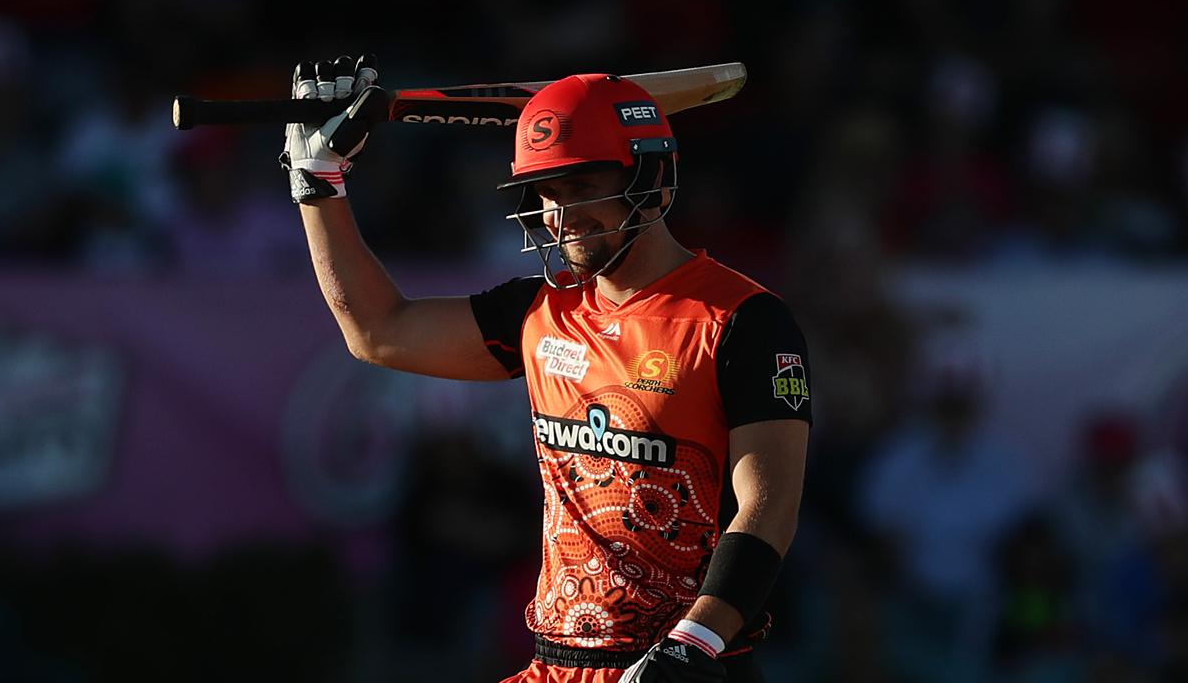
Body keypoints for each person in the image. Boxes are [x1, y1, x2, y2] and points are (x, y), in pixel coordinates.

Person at [281, 55, 813, 682]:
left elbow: (769, 506)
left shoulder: (744, 320)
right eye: (548, 192)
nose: (561, 215)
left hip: (681, 665)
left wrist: (693, 643)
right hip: (551, 666)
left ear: (655, 182)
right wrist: (319, 184)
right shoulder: (540, 310)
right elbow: (378, 331)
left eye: (584, 186)